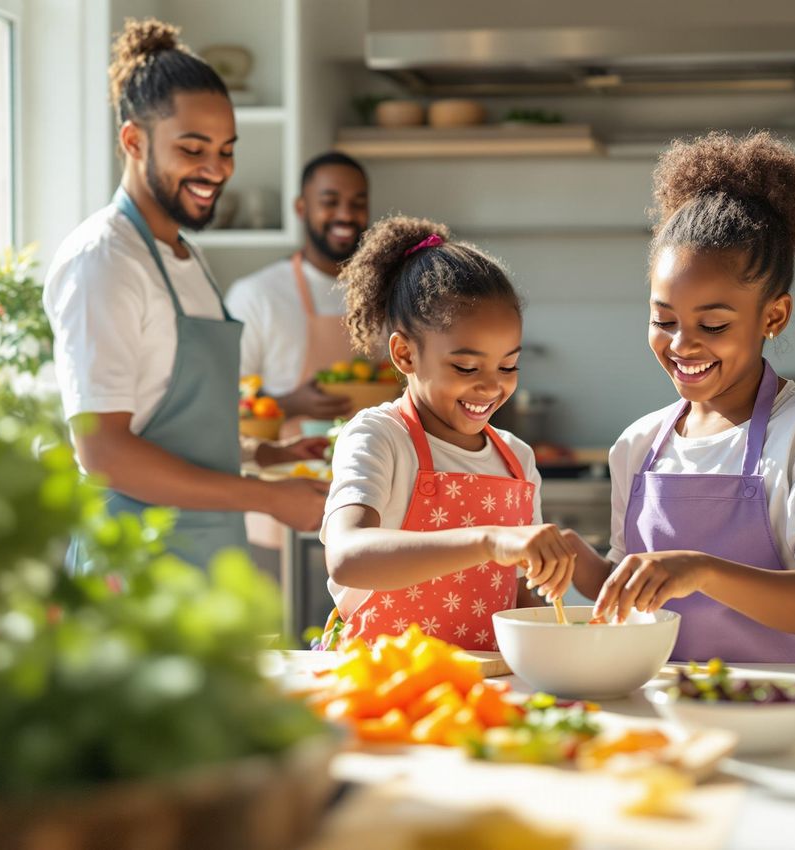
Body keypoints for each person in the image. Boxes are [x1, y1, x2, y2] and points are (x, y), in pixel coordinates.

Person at [570, 132, 795, 663]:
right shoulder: (639, 444)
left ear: (773, 317)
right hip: (658, 701)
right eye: (663, 320)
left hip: (778, 704)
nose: (682, 344)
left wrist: (702, 571)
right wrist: (576, 560)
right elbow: (629, 591)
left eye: (712, 323)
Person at [43, 18, 327, 570]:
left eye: (226, 150)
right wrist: (267, 497)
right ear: (133, 140)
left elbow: (171, 430)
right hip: (134, 570)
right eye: (193, 148)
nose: (216, 170)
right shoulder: (104, 261)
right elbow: (103, 452)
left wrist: (267, 455)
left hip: (205, 556)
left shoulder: (185, 255)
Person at [319, 216, 574, 651]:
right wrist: (488, 540)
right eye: (466, 367)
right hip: (385, 682)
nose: (492, 386)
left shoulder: (516, 458)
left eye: (508, 366)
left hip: (488, 686)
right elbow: (347, 558)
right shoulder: (380, 437)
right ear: (405, 354)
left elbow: (520, 598)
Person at [225, 152, 371, 429]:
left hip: (375, 468)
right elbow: (223, 399)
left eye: (358, 203)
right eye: (330, 202)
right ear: (301, 208)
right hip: (284, 468)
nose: (346, 215)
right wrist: (291, 405)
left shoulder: (387, 293)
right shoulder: (256, 295)